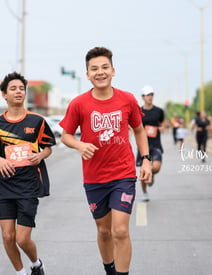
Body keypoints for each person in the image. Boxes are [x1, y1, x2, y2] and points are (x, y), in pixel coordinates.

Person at [59, 47, 152, 275]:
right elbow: (65, 135)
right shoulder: (79, 104)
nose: (100, 72)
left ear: (113, 70)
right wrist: (80, 145)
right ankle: (109, 269)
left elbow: (139, 130)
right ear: (87, 74)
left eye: (104, 67)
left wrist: (146, 160)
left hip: (123, 174)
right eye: (94, 69)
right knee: (104, 231)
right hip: (94, 178)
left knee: (120, 230)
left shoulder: (127, 100)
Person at [0, 72, 56, 275]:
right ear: (4, 94)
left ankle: (36, 264)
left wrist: (41, 156)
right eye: (13, 88)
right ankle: (21, 273)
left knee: (22, 238)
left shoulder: (37, 121)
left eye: (21, 88)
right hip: (5, 187)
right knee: (7, 237)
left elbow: (48, 147)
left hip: (29, 186)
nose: (18, 91)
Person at [136, 85, 165, 201]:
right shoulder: (139, 111)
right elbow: (135, 126)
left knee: (156, 167)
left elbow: (162, 123)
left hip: (156, 144)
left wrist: (161, 128)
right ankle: (144, 192)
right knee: (143, 170)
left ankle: (151, 173)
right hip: (143, 145)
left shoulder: (159, 111)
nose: (150, 97)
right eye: (148, 95)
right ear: (143, 97)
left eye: (151, 95)